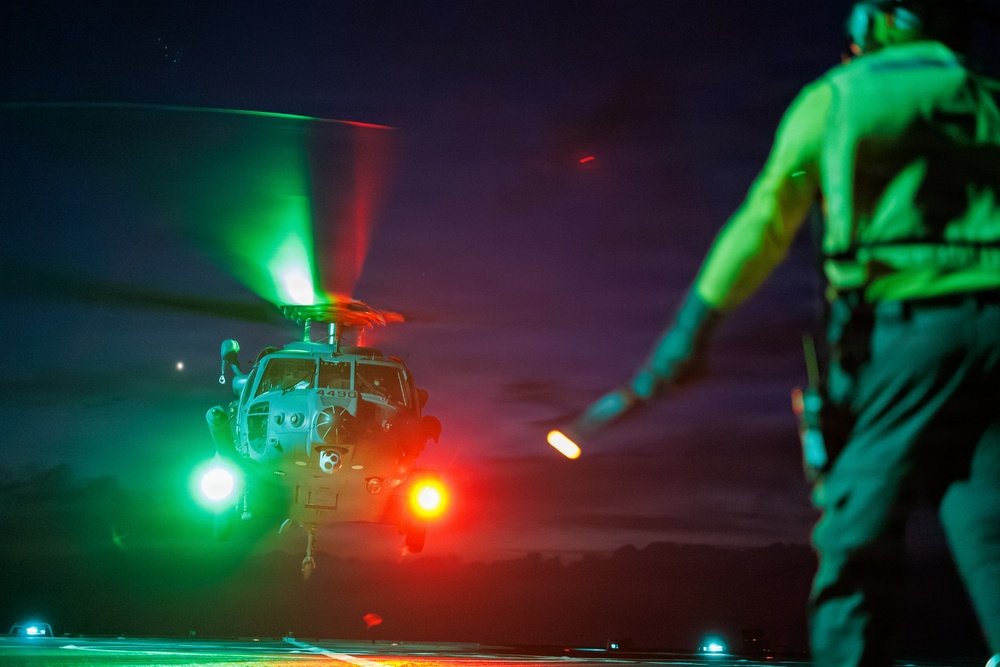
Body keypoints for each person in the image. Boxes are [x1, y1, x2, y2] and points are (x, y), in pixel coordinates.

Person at [571, 2, 1000, 665]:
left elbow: (763, 223)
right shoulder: (989, 97)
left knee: (857, 542)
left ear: (874, 23)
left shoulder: (838, 98)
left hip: (911, 337)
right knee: (987, 525)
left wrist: (688, 338)